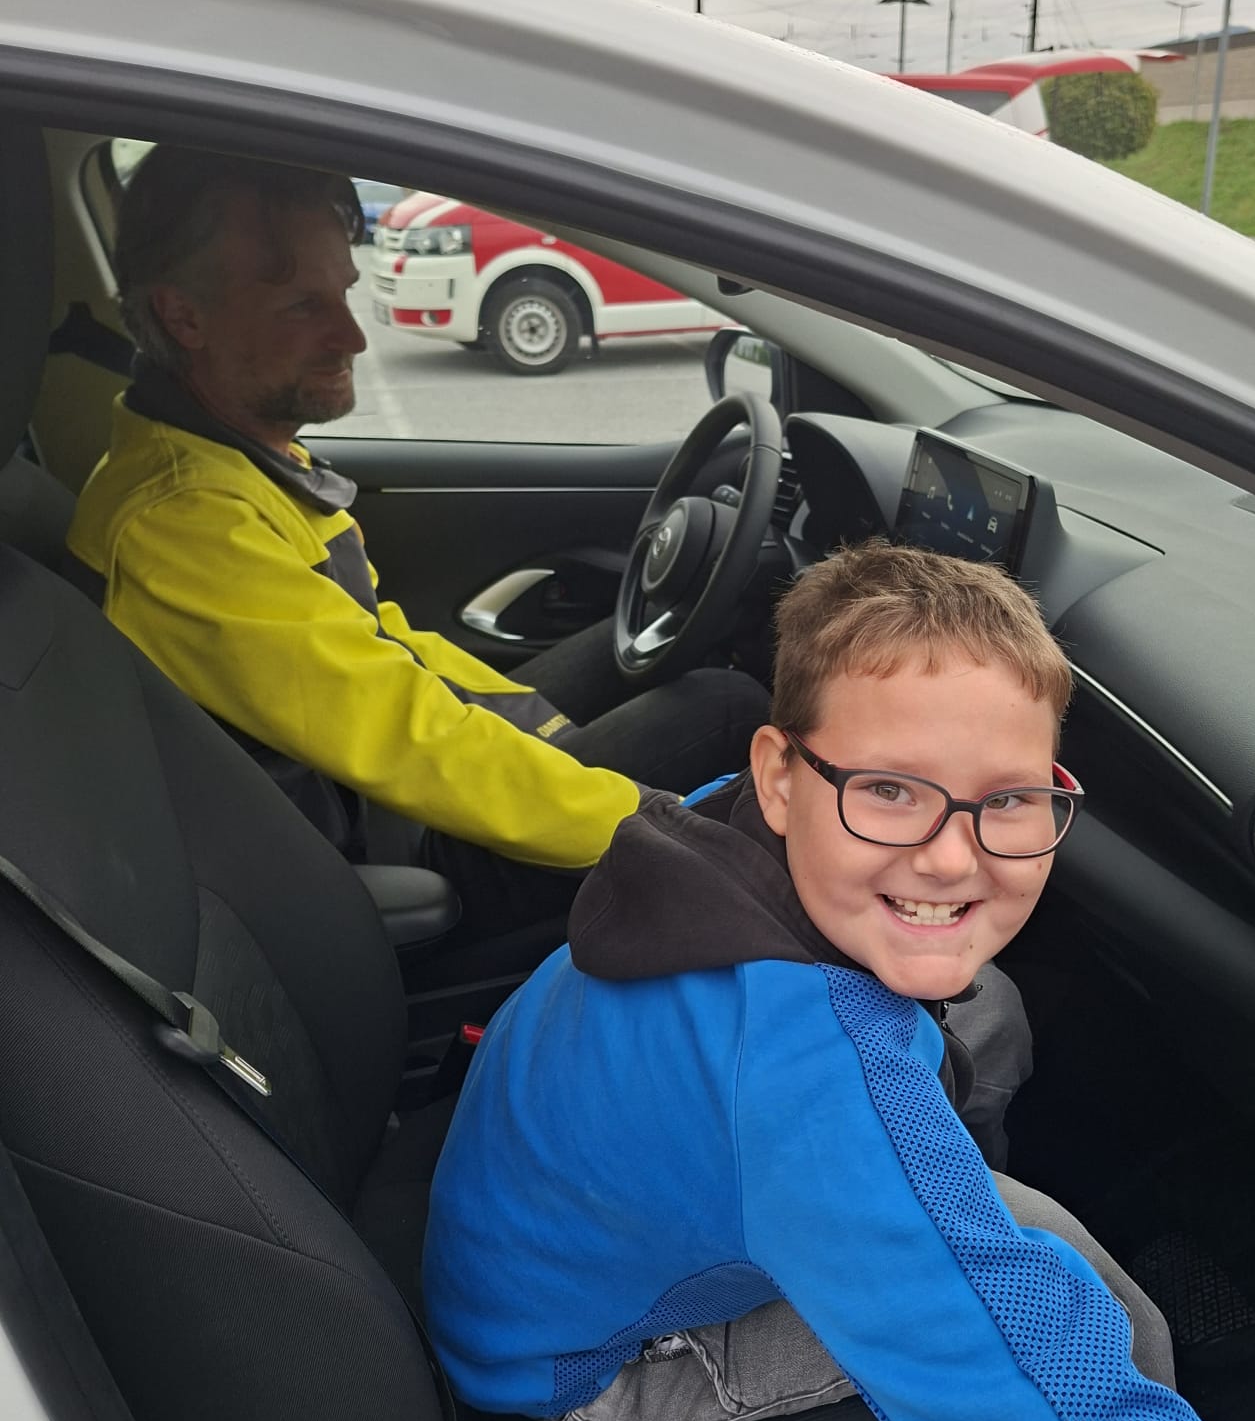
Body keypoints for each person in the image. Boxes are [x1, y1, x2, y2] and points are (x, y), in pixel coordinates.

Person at [423, 541, 1255, 1421]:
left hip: (526, 1245)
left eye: (1009, 799)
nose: (954, 854)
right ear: (780, 776)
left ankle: (945, 1206)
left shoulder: (712, 841)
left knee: (989, 1015)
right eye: (891, 789)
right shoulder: (807, 1084)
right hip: (584, 1365)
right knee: (1098, 1314)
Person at [66, 148, 768, 939]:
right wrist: (658, 831)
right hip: (379, 849)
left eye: (343, 294)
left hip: (378, 792)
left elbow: (380, 647)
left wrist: (540, 732)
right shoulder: (186, 524)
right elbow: (402, 739)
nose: (351, 337)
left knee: (633, 649)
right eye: (301, 307)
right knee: (726, 707)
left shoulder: (228, 458)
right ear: (183, 317)